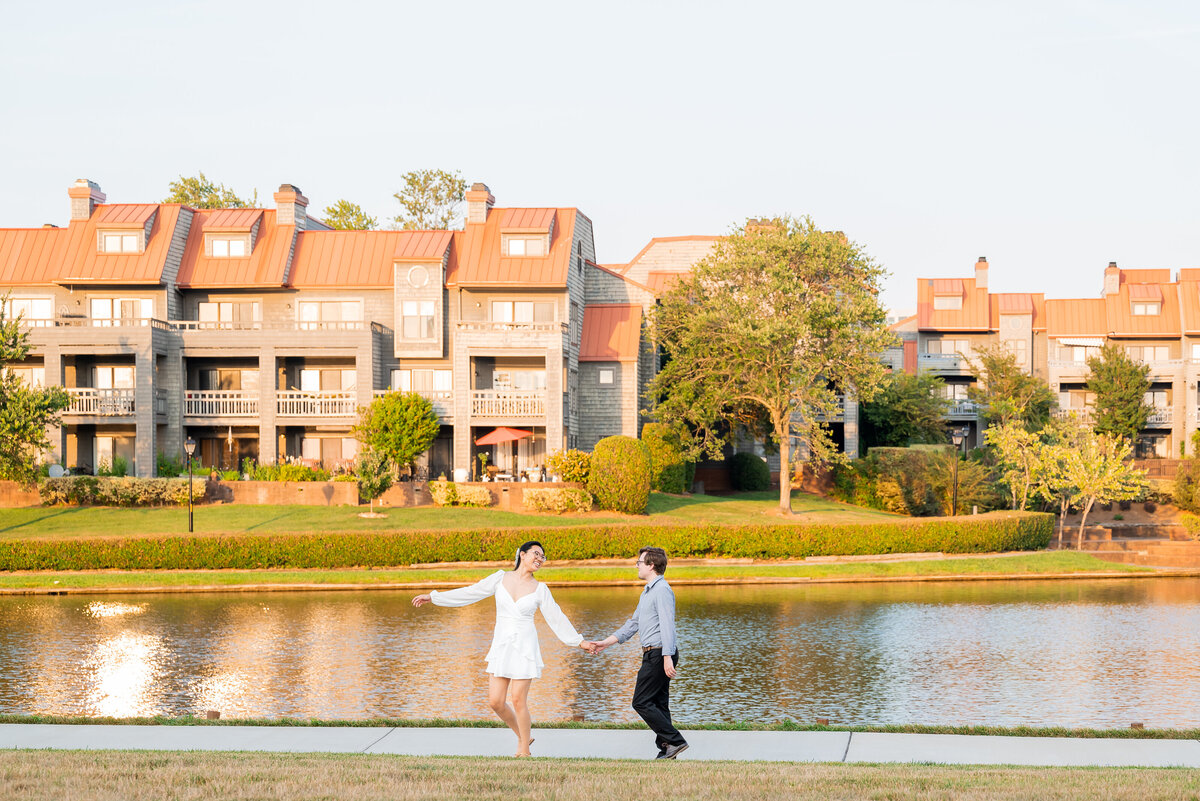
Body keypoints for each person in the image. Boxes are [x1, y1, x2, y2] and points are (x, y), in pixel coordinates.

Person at [412, 540, 592, 757]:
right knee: (496, 702)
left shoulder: (540, 589)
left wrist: (579, 641)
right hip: (502, 645)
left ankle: (524, 750)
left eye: (542, 557)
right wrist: (434, 597)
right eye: (536, 554)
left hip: (525, 647)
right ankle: (523, 735)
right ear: (522, 555)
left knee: (518, 699)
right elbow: (471, 592)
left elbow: (556, 617)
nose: (539, 559)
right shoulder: (500, 578)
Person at [588, 546, 688, 759]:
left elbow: (667, 625)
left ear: (651, 565)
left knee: (641, 701)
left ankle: (675, 741)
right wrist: (607, 642)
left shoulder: (662, 590)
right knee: (659, 703)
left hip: (660, 653)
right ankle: (667, 748)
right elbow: (633, 624)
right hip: (654, 653)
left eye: (640, 562)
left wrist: (667, 657)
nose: (637, 566)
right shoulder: (648, 592)